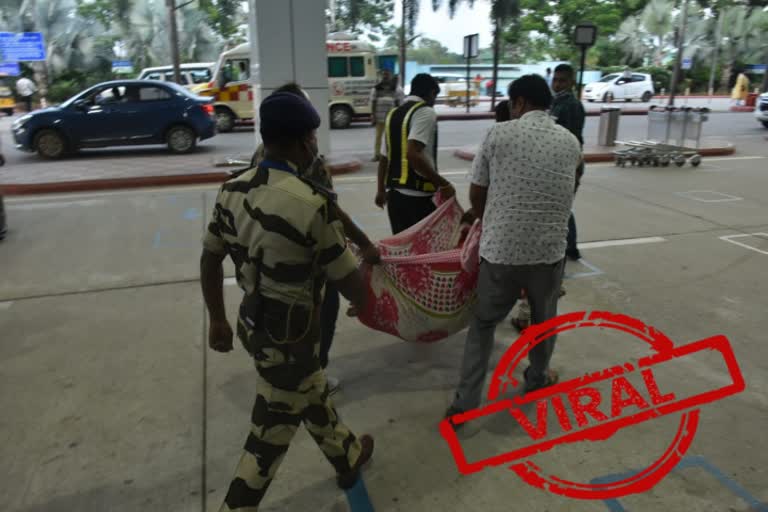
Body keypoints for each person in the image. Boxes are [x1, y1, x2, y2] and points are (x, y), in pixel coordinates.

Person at [201, 91, 374, 510]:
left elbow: (210, 257)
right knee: (270, 433)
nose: (315, 144)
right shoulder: (309, 203)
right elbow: (350, 283)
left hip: (251, 323)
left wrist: (218, 321)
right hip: (291, 337)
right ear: (303, 142)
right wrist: (368, 291)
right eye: (312, 136)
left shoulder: (232, 189)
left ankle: (347, 455)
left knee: (311, 392)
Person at [445, 75, 581, 425]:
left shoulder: (498, 134)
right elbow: (571, 190)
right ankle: (536, 379)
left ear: (518, 102)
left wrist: (496, 215)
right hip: (549, 252)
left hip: (501, 251)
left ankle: (465, 403)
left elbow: (477, 195)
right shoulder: (570, 142)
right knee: (543, 320)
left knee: (485, 323)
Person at [251, 82, 381, 394]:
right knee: (322, 315)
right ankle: (313, 377)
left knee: (278, 319)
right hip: (309, 264)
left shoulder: (259, 156)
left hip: (267, 261)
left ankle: (284, 373)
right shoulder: (309, 160)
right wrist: (363, 246)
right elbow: (329, 213)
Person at [510, 63, 585, 332]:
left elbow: (572, 141)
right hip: (553, 166)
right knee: (556, 218)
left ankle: (568, 249)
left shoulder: (572, 106)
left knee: (560, 215)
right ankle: (528, 309)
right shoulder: (553, 104)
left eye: (564, 80)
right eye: (556, 79)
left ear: (572, 82)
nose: (559, 83)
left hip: (563, 163)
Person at [375, 73, 455, 234]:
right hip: (418, 199)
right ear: (432, 93)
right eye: (434, 97)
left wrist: (381, 190)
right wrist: (443, 184)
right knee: (423, 254)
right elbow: (412, 154)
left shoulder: (393, 114)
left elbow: (384, 157)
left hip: (394, 199)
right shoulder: (425, 112)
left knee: (404, 255)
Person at [370, 69, 404, 162]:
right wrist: (373, 116)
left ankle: (390, 154)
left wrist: (398, 116)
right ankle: (377, 155)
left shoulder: (395, 88)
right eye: (384, 75)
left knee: (390, 137)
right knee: (378, 137)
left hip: (391, 117)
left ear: (390, 76)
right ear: (382, 77)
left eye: (387, 75)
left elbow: (397, 102)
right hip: (379, 117)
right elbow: (373, 102)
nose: (385, 77)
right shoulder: (376, 88)